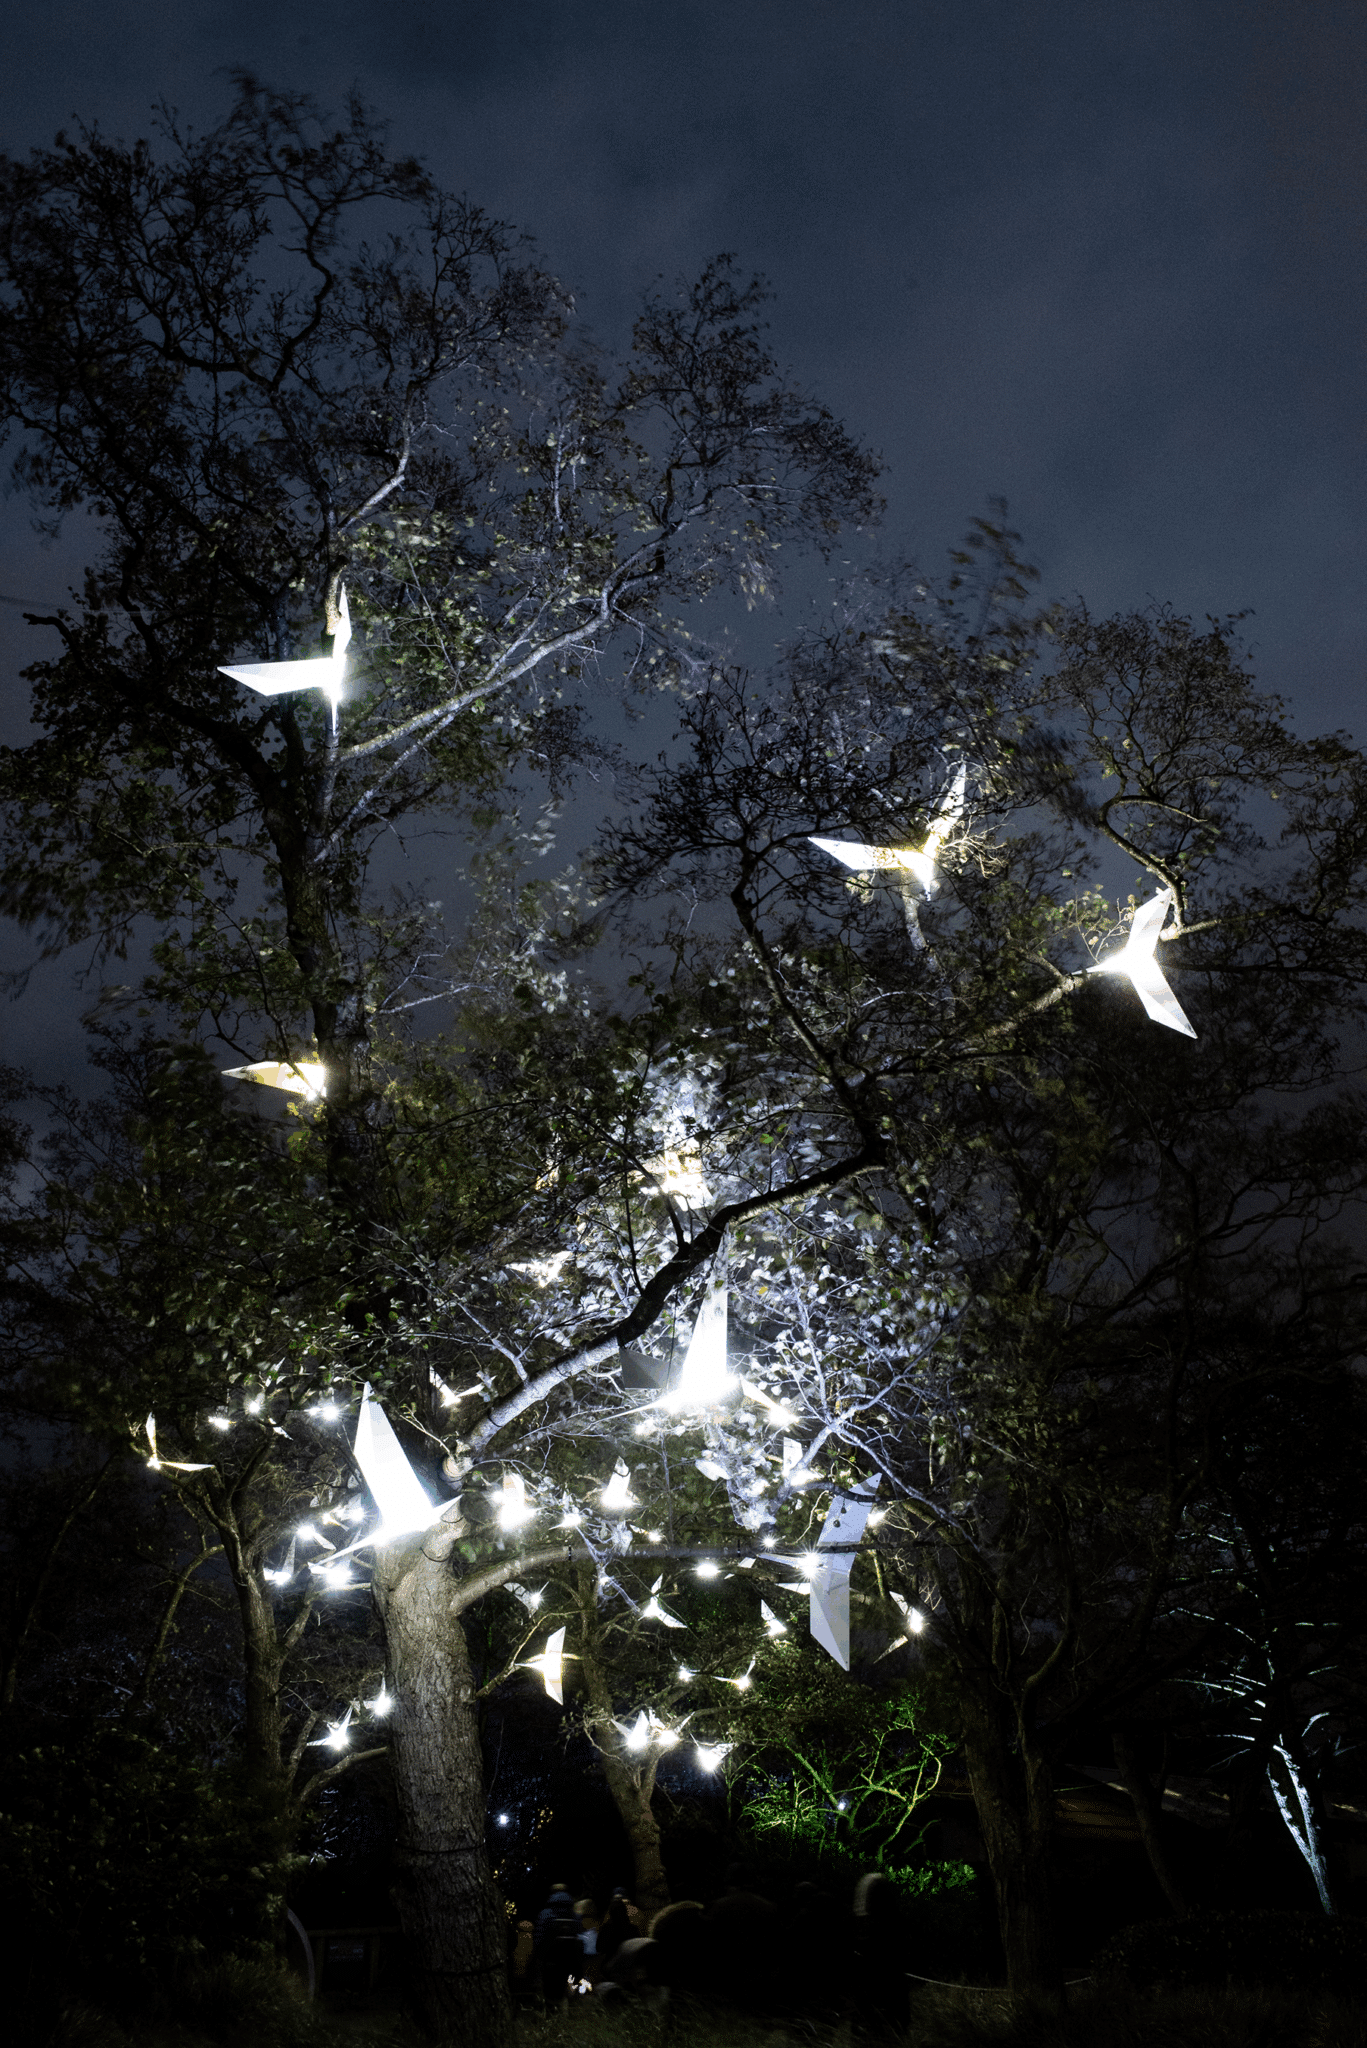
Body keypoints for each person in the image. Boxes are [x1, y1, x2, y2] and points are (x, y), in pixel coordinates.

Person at [533, 1882, 582, 2008]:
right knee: (570, 1993)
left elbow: (539, 1938)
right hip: (571, 1961)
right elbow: (580, 1936)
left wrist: (538, 1957)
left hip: (551, 1961)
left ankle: (552, 2015)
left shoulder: (545, 1914)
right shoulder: (574, 1915)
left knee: (551, 1994)